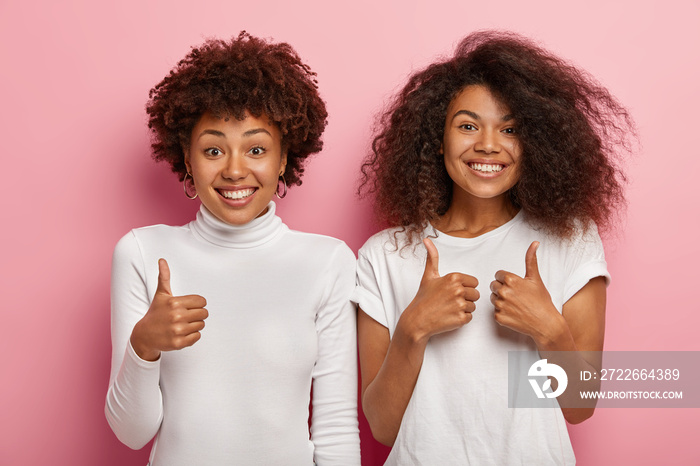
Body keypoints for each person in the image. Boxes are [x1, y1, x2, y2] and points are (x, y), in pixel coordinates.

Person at [355, 31, 633, 465]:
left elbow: (580, 406)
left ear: (536, 143)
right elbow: (383, 427)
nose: (487, 144)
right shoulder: (383, 256)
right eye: (468, 125)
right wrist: (414, 327)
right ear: (436, 137)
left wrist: (549, 329)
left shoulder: (569, 239)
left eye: (510, 128)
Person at [105, 32, 360, 465]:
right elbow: (131, 435)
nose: (235, 170)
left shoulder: (328, 262)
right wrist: (144, 347)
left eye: (256, 149)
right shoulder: (142, 253)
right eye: (213, 150)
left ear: (283, 159)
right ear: (187, 158)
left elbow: (335, 426)